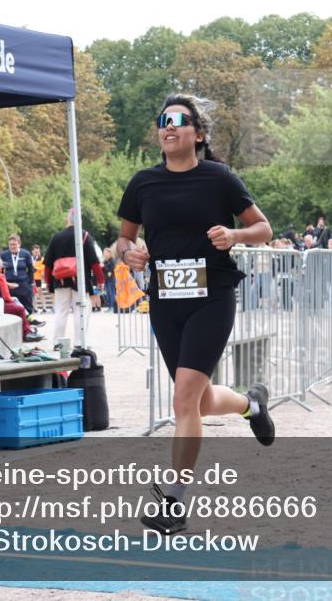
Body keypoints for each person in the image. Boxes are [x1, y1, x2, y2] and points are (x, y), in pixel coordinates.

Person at [115, 93, 275, 535]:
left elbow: (264, 228)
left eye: (178, 121)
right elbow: (123, 239)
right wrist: (129, 255)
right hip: (166, 301)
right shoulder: (143, 183)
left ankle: (174, 502)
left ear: (197, 134)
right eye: (163, 121)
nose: (168, 127)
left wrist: (235, 234)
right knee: (199, 401)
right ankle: (251, 404)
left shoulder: (219, 178)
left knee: (183, 399)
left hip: (212, 296)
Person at [43, 208, 105, 349]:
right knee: (81, 310)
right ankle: (79, 342)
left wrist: (48, 283)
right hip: (80, 280)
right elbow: (94, 262)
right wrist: (100, 280)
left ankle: (58, 343)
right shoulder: (84, 236)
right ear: (80, 221)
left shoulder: (56, 237)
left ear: (67, 220)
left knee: (61, 311)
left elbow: (47, 264)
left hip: (60, 280)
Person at [0, 256, 43, 342]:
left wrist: (7, 285)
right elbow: (6, 297)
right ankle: (27, 333)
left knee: (15, 301)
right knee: (19, 309)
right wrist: (13, 302)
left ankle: (27, 327)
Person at [1, 234, 37, 318]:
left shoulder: (26, 254)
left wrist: (31, 282)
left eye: (14, 244)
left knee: (27, 307)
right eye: (10, 244)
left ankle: (29, 325)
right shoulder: (4, 255)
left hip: (24, 284)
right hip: (10, 285)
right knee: (12, 308)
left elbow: (30, 269)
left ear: (19, 244)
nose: (12, 246)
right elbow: (1, 271)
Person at [102, 247, 117, 313]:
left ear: (109, 253)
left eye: (105, 252)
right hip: (106, 279)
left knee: (112, 293)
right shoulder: (105, 261)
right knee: (108, 294)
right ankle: (109, 307)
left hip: (111, 279)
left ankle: (113, 307)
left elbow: (111, 269)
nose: (104, 254)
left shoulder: (112, 260)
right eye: (104, 253)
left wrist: (103, 267)